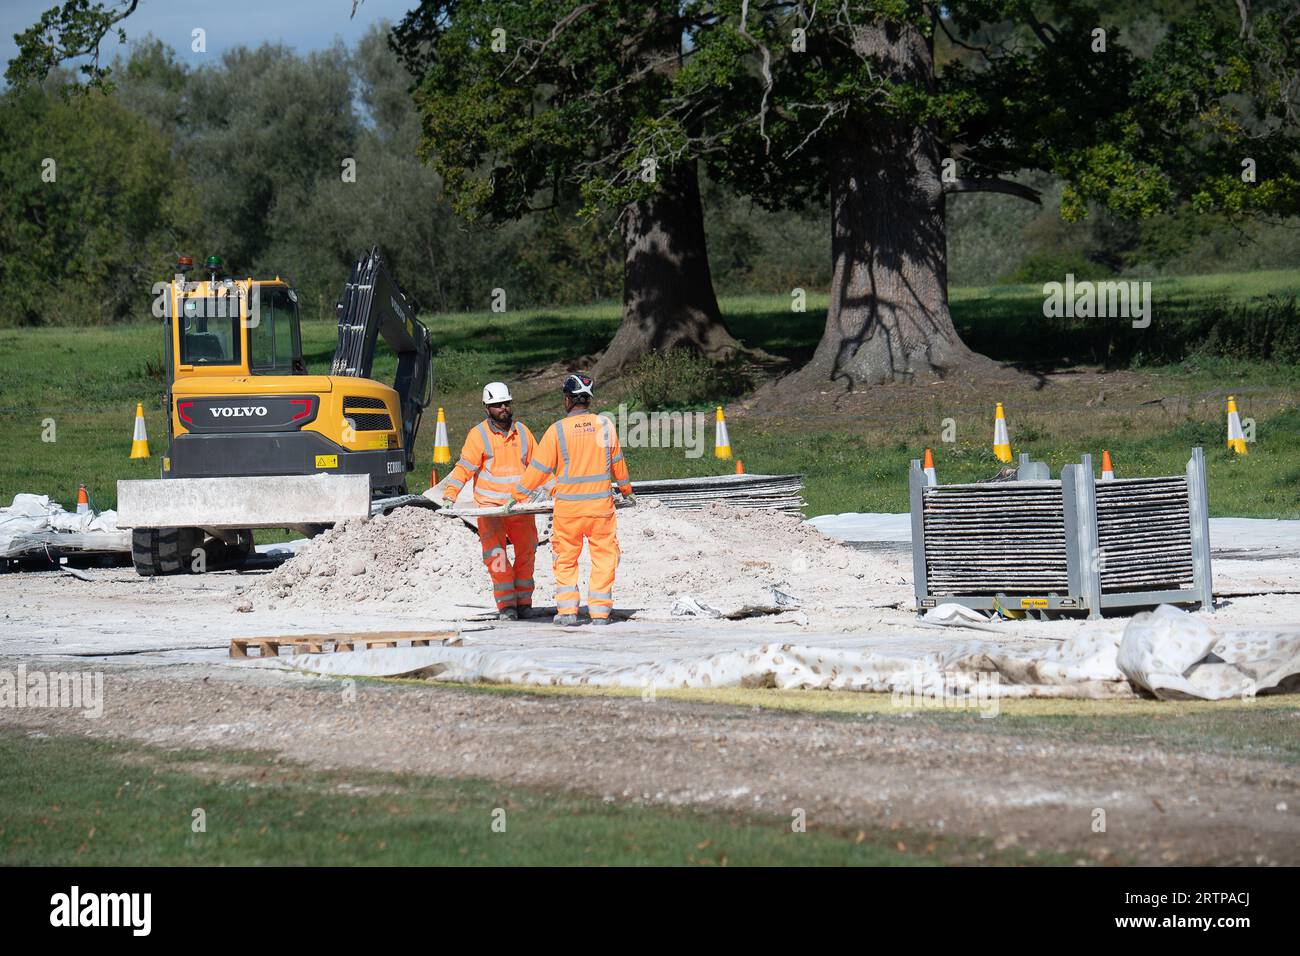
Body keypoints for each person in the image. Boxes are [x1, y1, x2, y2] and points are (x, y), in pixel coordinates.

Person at [510, 373, 632, 626]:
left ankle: (567, 612)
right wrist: (626, 489)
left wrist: (518, 495)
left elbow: (539, 469)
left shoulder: (557, 431)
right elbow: (618, 461)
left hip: (568, 510)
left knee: (565, 559)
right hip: (600, 509)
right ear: (588, 400)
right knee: (604, 557)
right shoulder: (605, 426)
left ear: (567, 400)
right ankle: (599, 613)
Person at [443, 382, 540, 620]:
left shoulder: (523, 432)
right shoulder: (478, 435)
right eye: (497, 405)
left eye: (506, 403)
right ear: (487, 408)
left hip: (520, 506)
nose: (503, 408)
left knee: (527, 551)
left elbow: (540, 467)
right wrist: (450, 494)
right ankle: (507, 605)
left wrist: (558, 491)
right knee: (496, 556)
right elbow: (465, 467)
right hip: (490, 509)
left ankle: (524, 603)